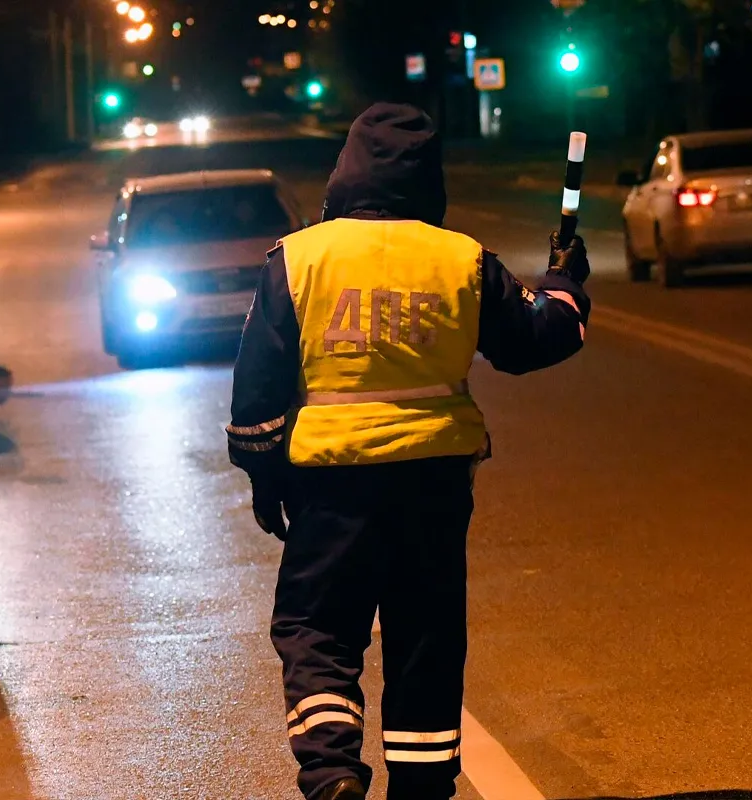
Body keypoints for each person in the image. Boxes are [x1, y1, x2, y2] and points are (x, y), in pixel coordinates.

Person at [226, 102, 591, 800]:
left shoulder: (297, 259)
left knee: (317, 630)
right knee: (425, 637)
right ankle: (422, 789)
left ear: (346, 172)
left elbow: (258, 389)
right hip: (433, 487)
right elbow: (531, 342)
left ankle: (332, 770)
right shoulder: (462, 258)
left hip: (330, 489)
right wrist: (565, 286)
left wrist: (264, 476)